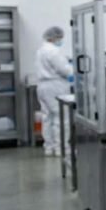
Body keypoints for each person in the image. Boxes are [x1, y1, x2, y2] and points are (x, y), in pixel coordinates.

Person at [35, 26, 74, 157]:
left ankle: (49, 147)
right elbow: (63, 69)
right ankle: (61, 148)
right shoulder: (53, 51)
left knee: (47, 117)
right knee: (61, 117)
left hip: (42, 86)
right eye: (60, 38)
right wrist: (73, 69)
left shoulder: (41, 50)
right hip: (55, 86)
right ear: (54, 37)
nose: (61, 40)